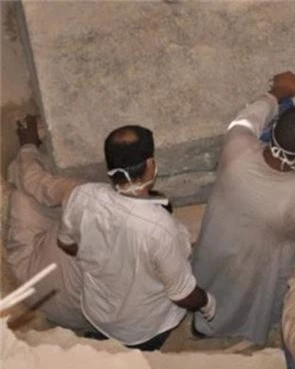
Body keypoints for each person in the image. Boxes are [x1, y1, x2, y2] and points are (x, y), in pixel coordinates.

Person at [191, 71, 295, 345]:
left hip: (218, 247)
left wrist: (277, 92)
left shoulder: (237, 147)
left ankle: (202, 327)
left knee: (213, 287)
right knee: (250, 300)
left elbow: (247, 119)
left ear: (270, 131)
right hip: (260, 266)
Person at [57, 125, 215, 351]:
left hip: (99, 311)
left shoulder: (81, 196)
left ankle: (101, 343)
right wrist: (207, 302)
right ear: (151, 166)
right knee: (138, 351)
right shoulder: (160, 228)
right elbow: (182, 294)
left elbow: (66, 243)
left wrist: (104, 255)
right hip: (141, 329)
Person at [5, 116, 89, 331]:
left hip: (34, 284)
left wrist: (28, 145)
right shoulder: (148, 240)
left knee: (24, 193)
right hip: (83, 317)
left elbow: (33, 180)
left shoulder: (86, 195)